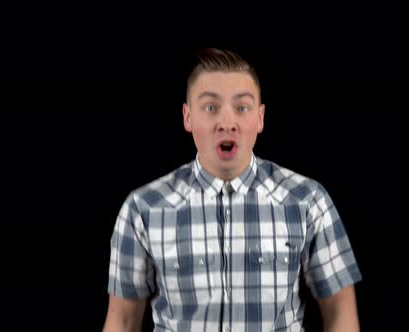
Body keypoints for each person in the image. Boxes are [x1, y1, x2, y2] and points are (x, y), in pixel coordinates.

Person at [103, 48, 362, 332]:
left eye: (242, 107)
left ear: (260, 118)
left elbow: (341, 312)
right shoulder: (144, 208)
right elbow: (123, 320)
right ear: (187, 117)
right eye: (211, 107)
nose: (227, 123)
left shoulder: (307, 200)